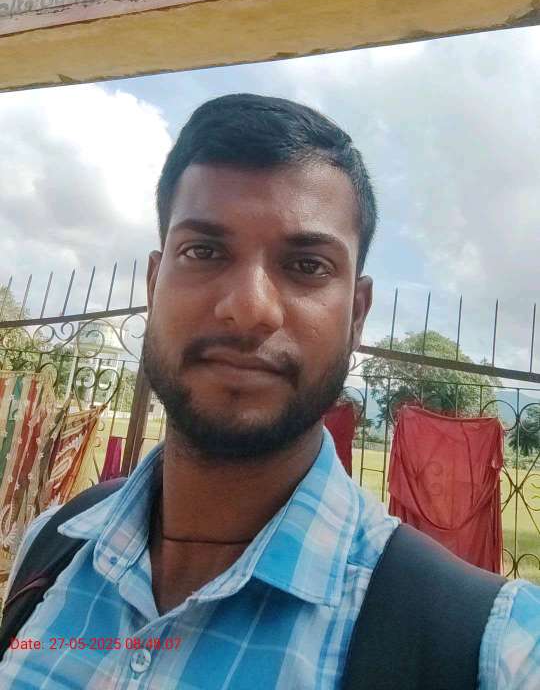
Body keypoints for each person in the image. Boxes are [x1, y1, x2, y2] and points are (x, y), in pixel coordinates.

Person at [1, 93, 539, 688]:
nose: (250, 308)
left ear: (357, 315)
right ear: (154, 284)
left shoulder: (494, 650)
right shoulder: (51, 548)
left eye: (307, 265)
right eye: (204, 251)